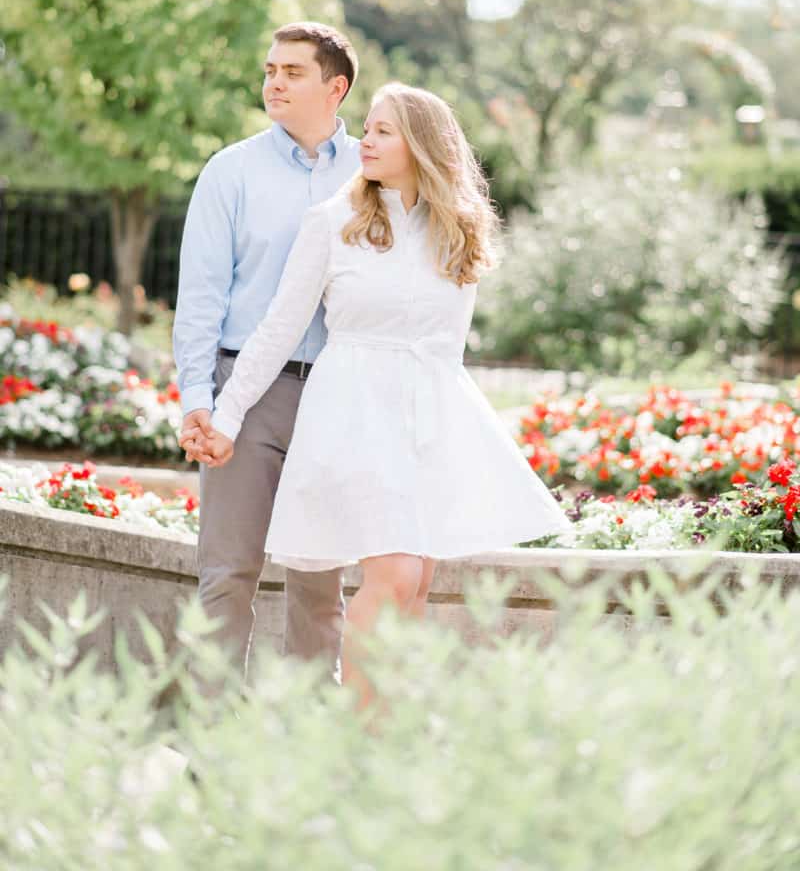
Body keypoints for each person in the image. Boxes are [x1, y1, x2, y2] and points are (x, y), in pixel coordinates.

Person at [189, 82, 575, 710]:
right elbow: (277, 331)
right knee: (393, 572)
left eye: (382, 130)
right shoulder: (333, 223)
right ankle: (359, 743)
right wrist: (225, 416)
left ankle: (391, 736)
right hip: (350, 412)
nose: (363, 140)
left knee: (416, 581)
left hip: (426, 418)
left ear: (422, 143)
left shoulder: (457, 230)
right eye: (366, 127)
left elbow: (447, 350)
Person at [173, 21, 363, 689]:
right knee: (227, 574)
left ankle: (307, 747)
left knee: (320, 581)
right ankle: (211, 743)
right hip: (243, 396)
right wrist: (200, 399)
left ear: (334, 86)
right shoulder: (230, 171)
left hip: (338, 395)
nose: (273, 83)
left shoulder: (375, 171)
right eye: (269, 70)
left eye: (292, 72)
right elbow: (200, 295)